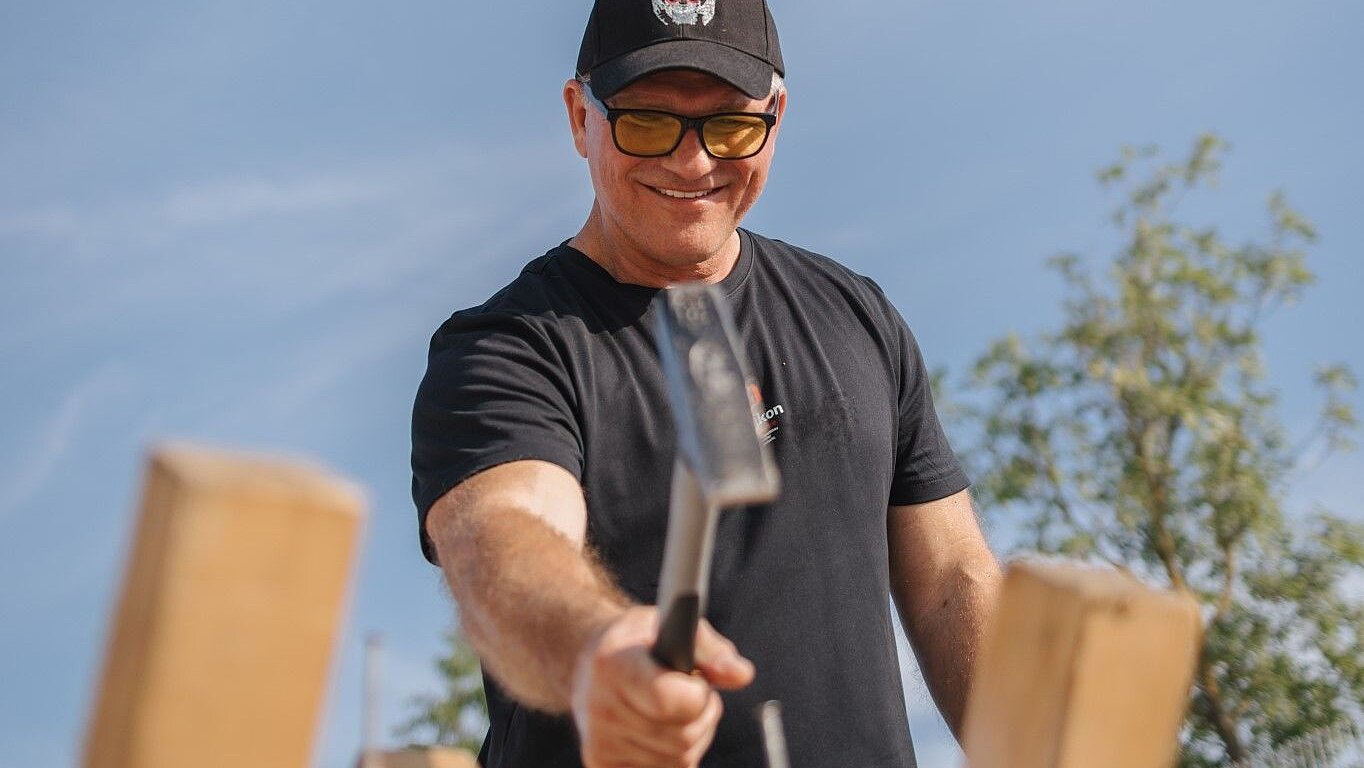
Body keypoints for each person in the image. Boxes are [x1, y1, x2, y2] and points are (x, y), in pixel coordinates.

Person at [411, 0, 1002, 765]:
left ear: (776, 117)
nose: (691, 163)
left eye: (729, 126)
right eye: (648, 122)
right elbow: (502, 542)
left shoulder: (856, 314)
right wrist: (595, 648)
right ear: (578, 116)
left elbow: (952, 580)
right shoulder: (507, 349)